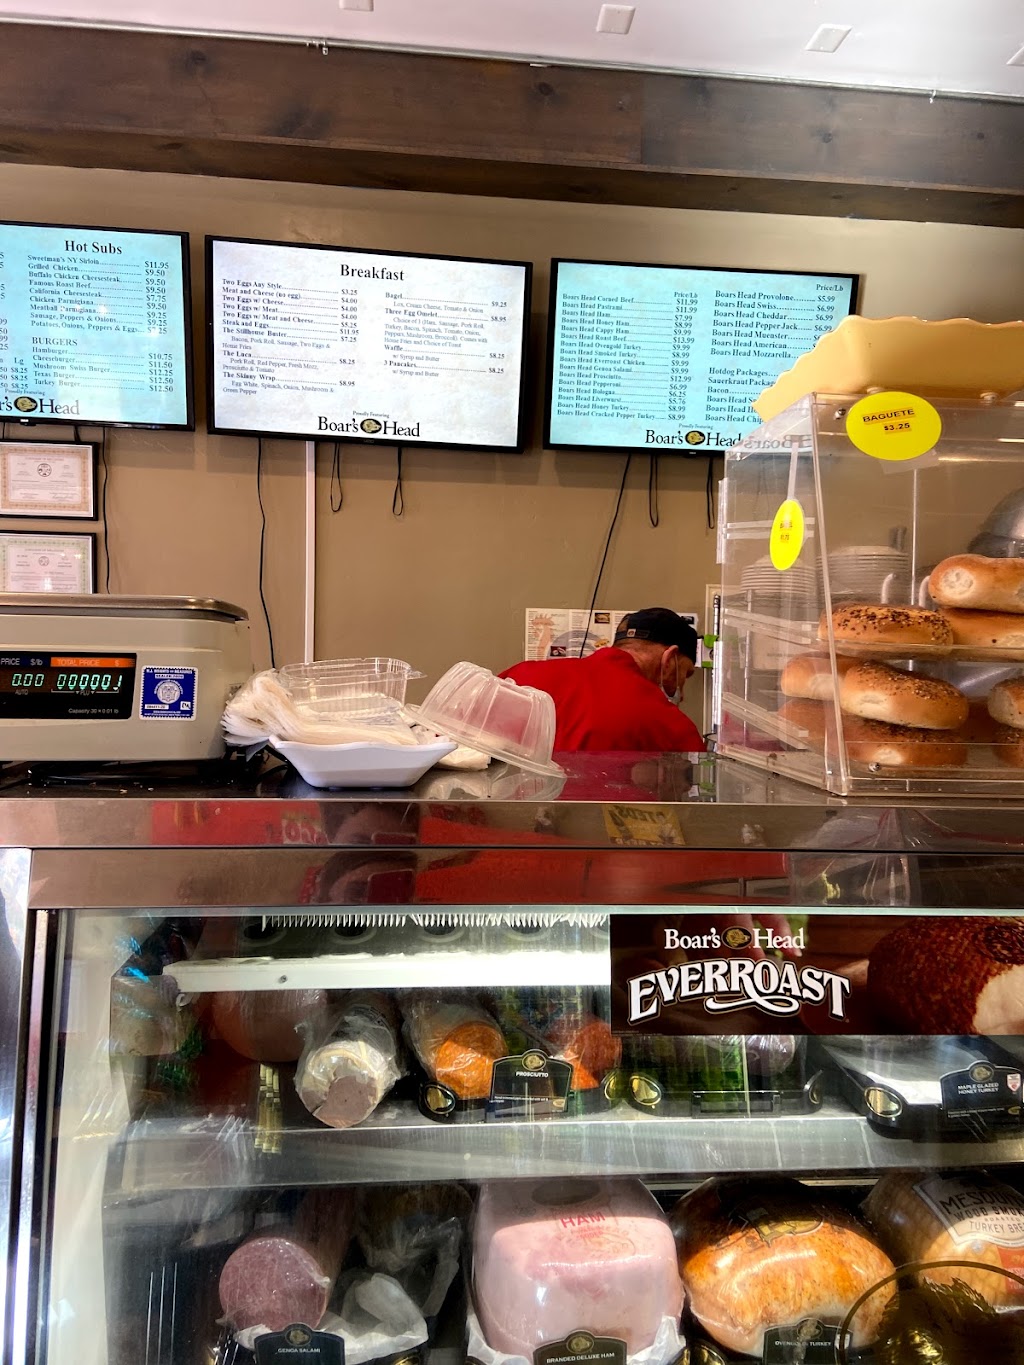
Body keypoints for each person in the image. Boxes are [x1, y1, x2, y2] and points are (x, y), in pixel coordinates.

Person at [500, 607, 705, 753]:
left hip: (515, 802)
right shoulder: (671, 725)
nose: (682, 693)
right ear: (669, 659)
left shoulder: (521, 675)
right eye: (685, 674)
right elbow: (687, 790)